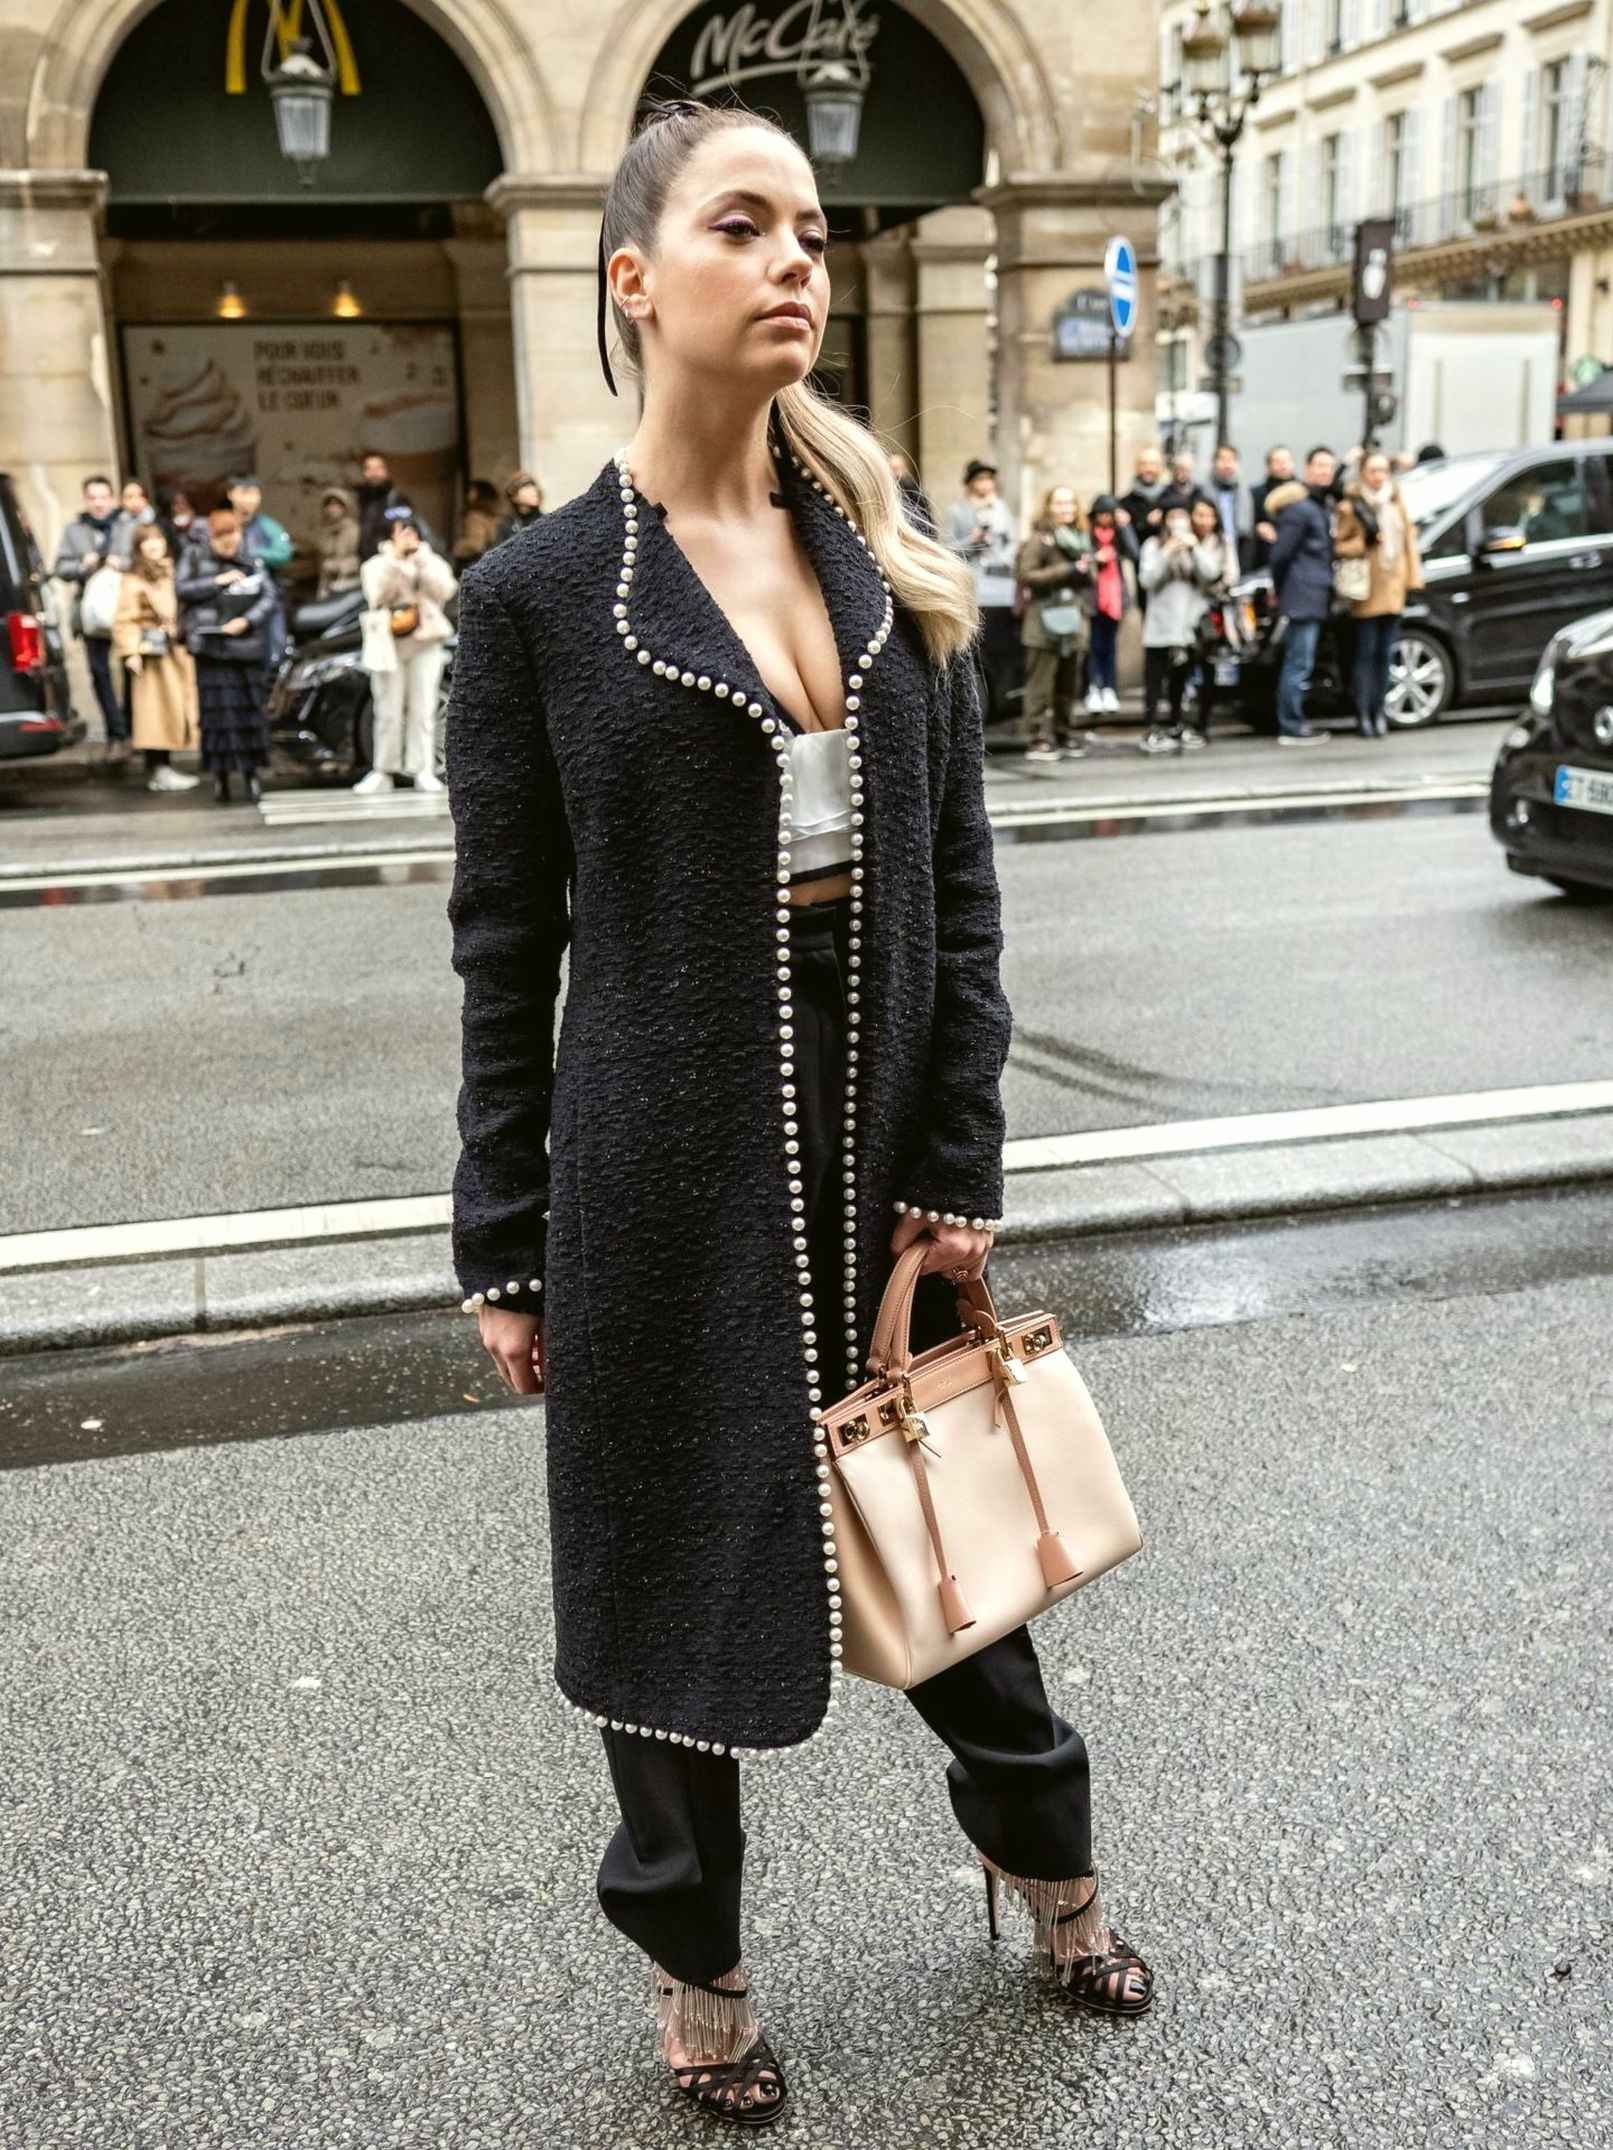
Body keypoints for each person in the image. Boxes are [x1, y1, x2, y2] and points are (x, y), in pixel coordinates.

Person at [447, 97, 1154, 2131]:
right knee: (665, 1581)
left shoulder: (884, 568)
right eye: (741, 225)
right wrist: (503, 1236)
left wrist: (957, 1166)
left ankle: (1049, 1872)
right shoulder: (537, 601)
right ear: (632, 279)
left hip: (875, 1127)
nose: (791, 263)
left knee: (955, 1541)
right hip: (657, 1169)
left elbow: (963, 898)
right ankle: (698, 1975)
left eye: (812, 233)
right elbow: (504, 949)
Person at [176, 506, 276, 803]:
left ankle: (252, 776)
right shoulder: (194, 556)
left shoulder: (252, 559)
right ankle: (220, 778)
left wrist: (247, 621)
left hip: (246, 646)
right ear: (211, 537)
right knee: (217, 718)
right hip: (211, 649)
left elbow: (269, 596)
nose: (229, 543)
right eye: (222, 538)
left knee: (249, 715)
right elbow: (181, 588)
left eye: (233, 536)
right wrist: (217, 581)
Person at [355, 510, 456, 795]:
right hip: (389, 644)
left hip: (425, 642)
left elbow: (445, 590)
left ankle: (422, 770)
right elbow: (376, 595)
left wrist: (420, 562)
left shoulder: (430, 561)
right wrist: (396, 562)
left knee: (423, 709)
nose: (408, 536)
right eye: (401, 531)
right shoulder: (376, 565)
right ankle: (383, 770)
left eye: (412, 530)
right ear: (390, 534)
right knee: (387, 709)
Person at [1333, 448, 1424, 738]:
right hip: (1366, 589)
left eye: (1383, 470)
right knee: (1365, 654)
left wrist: (1413, 580)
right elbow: (1339, 544)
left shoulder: (1396, 503)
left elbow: (1409, 545)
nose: (1378, 476)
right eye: (1373, 471)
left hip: (1393, 586)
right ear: (1363, 474)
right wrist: (1365, 541)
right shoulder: (1352, 506)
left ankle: (1379, 711)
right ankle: (1362, 714)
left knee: (1385, 655)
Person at [112, 523, 201, 792]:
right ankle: (158, 767)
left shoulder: (173, 571)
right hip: (151, 653)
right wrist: (131, 652)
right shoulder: (133, 579)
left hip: (175, 650)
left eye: (158, 538)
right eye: (147, 540)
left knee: (173, 709)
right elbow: (125, 619)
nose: (153, 544)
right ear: (138, 546)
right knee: (154, 713)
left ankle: (164, 766)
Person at [52, 473, 132, 761]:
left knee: (133, 669)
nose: (99, 503)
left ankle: (131, 729)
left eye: (103, 497)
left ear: (112, 498)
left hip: (127, 608)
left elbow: (145, 559)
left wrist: (122, 563)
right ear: (85, 500)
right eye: (93, 498)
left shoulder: (127, 526)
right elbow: (60, 568)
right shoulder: (75, 530)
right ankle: (116, 733)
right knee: (99, 672)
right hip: (90, 612)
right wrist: (83, 565)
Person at [1265, 445, 1337, 745]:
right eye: (1319, 465)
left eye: (1329, 466)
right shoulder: (1301, 509)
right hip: (1302, 595)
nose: (1325, 471)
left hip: (1309, 593)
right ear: (1307, 468)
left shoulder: (1316, 506)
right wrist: (1282, 589)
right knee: (1298, 663)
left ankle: (1292, 722)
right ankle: (1291, 725)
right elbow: (1280, 555)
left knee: (1300, 661)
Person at [1015, 484, 1090, 761]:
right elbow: (1026, 575)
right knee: (1040, 684)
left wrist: (1087, 571)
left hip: (1073, 619)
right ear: (1048, 507)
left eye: (1070, 503)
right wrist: (1067, 570)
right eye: (1059, 503)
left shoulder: (1081, 538)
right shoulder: (1040, 538)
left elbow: (1090, 577)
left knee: (1068, 684)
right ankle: (1037, 738)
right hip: (1042, 621)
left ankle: (1064, 733)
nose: (1065, 508)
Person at [1138, 503, 1220, 753]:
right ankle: (1150, 728)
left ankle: (1176, 723)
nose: (1178, 523)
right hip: (1160, 625)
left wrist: (1194, 548)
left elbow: (1211, 573)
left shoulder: (1195, 546)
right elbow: (1147, 579)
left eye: (1183, 518)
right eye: (1173, 518)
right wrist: (1167, 551)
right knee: (1154, 681)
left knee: (1179, 680)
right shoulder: (1153, 545)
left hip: (1187, 626)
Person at [946, 458, 1020, 725]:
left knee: (1002, 651)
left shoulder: (1002, 509)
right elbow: (948, 549)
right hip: (975, 592)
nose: (985, 484)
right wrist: (972, 540)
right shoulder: (958, 511)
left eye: (989, 479)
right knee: (979, 652)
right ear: (970, 483)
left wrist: (1006, 559)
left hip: (1002, 590)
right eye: (980, 479)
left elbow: (1013, 543)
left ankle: (1003, 704)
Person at [1184, 495, 1238, 746]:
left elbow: (1227, 576)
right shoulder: (1182, 540)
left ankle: (1202, 723)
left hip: (1209, 614)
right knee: (1182, 667)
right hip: (1184, 612)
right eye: (1199, 515)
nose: (1204, 521)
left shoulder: (1222, 543)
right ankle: (1182, 721)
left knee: (1208, 667)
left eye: (1209, 516)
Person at [227, 476, 293, 670]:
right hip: (230, 598)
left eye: (253, 493)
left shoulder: (267, 525)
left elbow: (284, 553)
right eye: (243, 492)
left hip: (265, 597)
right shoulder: (224, 523)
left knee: (274, 649)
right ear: (230, 494)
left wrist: (253, 554)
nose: (248, 499)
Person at [1082, 495, 1134, 715]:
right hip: (1093, 597)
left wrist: (1125, 526)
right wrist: (1096, 558)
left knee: (1110, 646)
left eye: (1108, 514)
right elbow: (1081, 559)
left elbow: (1134, 552)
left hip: (1115, 598)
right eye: (1101, 514)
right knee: (1094, 646)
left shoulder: (1118, 535)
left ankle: (1109, 688)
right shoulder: (1087, 535)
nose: (1104, 519)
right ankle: (1093, 687)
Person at [357, 451, 419, 558]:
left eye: (378, 468)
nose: (374, 473)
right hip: (364, 562)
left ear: (386, 471)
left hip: (391, 561)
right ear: (364, 472)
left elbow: (406, 532)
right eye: (369, 468)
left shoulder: (397, 500)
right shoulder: (358, 501)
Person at [1249, 445, 1296, 570]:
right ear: (1268, 467)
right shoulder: (1257, 493)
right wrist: (1258, 527)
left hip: (1296, 556)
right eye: (1278, 462)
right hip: (1265, 556)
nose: (1283, 465)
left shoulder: (1302, 492)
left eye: (1286, 461)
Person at [1118, 442, 1170, 543]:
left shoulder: (1173, 497)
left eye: (1153, 464)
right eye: (1143, 464)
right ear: (1136, 467)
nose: (1148, 468)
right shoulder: (1125, 503)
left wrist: (1165, 517)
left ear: (1161, 467)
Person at [315, 486, 362, 597]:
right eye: (329, 505)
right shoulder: (325, 529)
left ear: (344, 507)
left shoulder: (353, 529)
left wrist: (339, 566)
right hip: (326, 579)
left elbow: (359, 556)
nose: (333, 509)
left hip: (347, 579)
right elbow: (322, 552)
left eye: (337, 505)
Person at [1206, 444, 1244, 567]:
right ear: (1214, 463)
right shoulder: (1204, 491)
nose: (1227, 465)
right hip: (1212, 549)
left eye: (1231, 460)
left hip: (1239, 548)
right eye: (1222, 460)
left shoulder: (1245, 492)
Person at [889, 449, 937, 538]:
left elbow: (928, 526)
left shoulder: (916, 494)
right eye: (893, 469)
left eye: (899, 469)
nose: (897, 473)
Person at [455, 480, 502, 565]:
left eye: (472, 490)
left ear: (481, 494)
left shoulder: (475, 516)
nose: (469, 494)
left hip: (475, 563)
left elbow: (475, 544)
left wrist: (457, 547)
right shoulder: (494, 516)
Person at [493, 471, 544, 546]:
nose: (534, 491)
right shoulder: (505, 525)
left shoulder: (544, 520)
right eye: (526, 487)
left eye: (533, 486)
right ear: (514, 496)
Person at [154, 486, 199, 564]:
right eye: (176, 504)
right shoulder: (165, 526)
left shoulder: (200, 524)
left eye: (183, 503)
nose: (181, 507)